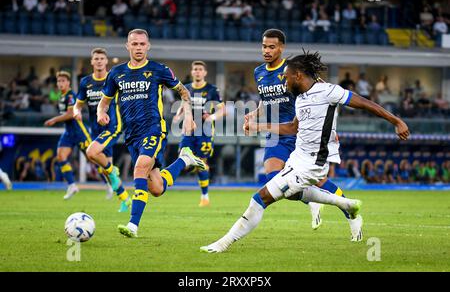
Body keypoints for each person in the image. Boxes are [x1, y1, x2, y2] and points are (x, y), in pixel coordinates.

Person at [200, 50, 410, 253]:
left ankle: (222, 244)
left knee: (260, 198)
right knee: (287, 193)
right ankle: (344, 203)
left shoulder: (329, 91)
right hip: (296, 158)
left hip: (313, 164)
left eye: (286, 77)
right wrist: (258, 126)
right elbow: (292, 128)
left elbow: (365, 104)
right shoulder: (300, 99)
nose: (284, 82)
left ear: (298, 75)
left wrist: (396, 120)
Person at [97, 29, 207, 238]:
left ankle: (133, 225)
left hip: (153, 129)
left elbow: (184, 91)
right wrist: (100, 112)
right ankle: (184, 160)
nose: (138, 48)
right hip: (131, 135)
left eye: (142, 44)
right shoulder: (116, 73)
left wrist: (189, 116)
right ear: (127, 46)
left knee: (139, 168)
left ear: (148, 46)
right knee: (156, 188)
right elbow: (104, 102)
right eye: (134, 44)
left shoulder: (158, 69)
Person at [244, 29, 324, 231]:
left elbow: (320, 91)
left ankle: (346, 208)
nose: (267, 50)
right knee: (273, 179)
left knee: (321, 180)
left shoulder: (292, 70)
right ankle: (311, 199)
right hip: (275, 134)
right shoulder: (259, 72)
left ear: (281, 48)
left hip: (298, 132)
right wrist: (254, 113)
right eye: (264, 46)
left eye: (272, 47)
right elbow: (266, 101)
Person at [73, 48, 131, 212]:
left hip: (112, 126)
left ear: (106, 61)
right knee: (106, 171)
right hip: (95, 129)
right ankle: (125, 199)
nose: (99, 61)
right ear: (92, 62)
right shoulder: (85, 82)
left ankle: (113, 171)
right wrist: (77, 113)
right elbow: (77, 105)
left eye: (101, 58)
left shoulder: (113, 79)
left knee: (93, 154)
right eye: (96, 58)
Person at [173, 61, 226, 207]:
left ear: (205, 73)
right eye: (195, 69)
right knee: (183, 157)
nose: (197, 72)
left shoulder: (212, 89)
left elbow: (222, 110)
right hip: (189, 129)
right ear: (192, 72)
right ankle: (192, 166)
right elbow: (184, 105)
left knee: (202, 163)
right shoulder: (187, 88)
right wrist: (178, 115)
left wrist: (211, 117)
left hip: (205, 131)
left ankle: (205, 196)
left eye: (200, 69)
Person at [43, 71, 93, 199]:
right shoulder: (61, 96)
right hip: (68, 132)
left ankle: (110, 184)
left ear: (68, 82)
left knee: (94, 159)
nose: (60, 83)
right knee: (60, 156)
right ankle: (72, 185)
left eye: (63, 81)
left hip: (79, 131)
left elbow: (71, 114)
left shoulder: (71, 96)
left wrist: (54, 119)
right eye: (59, 81)